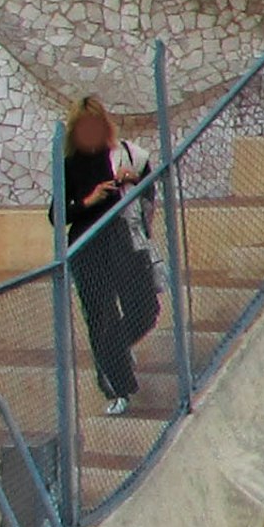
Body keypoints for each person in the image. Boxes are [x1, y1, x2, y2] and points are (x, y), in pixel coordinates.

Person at [62, 98, 154, 418]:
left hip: (123, 241)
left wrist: (133, 179)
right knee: (101, 318)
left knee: (145, 309)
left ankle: (117, 352)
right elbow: (57, 213)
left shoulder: (121, 154)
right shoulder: (70, 164)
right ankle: (117, 385)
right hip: (86, 248)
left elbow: (149, 193)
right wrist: (88, 200)